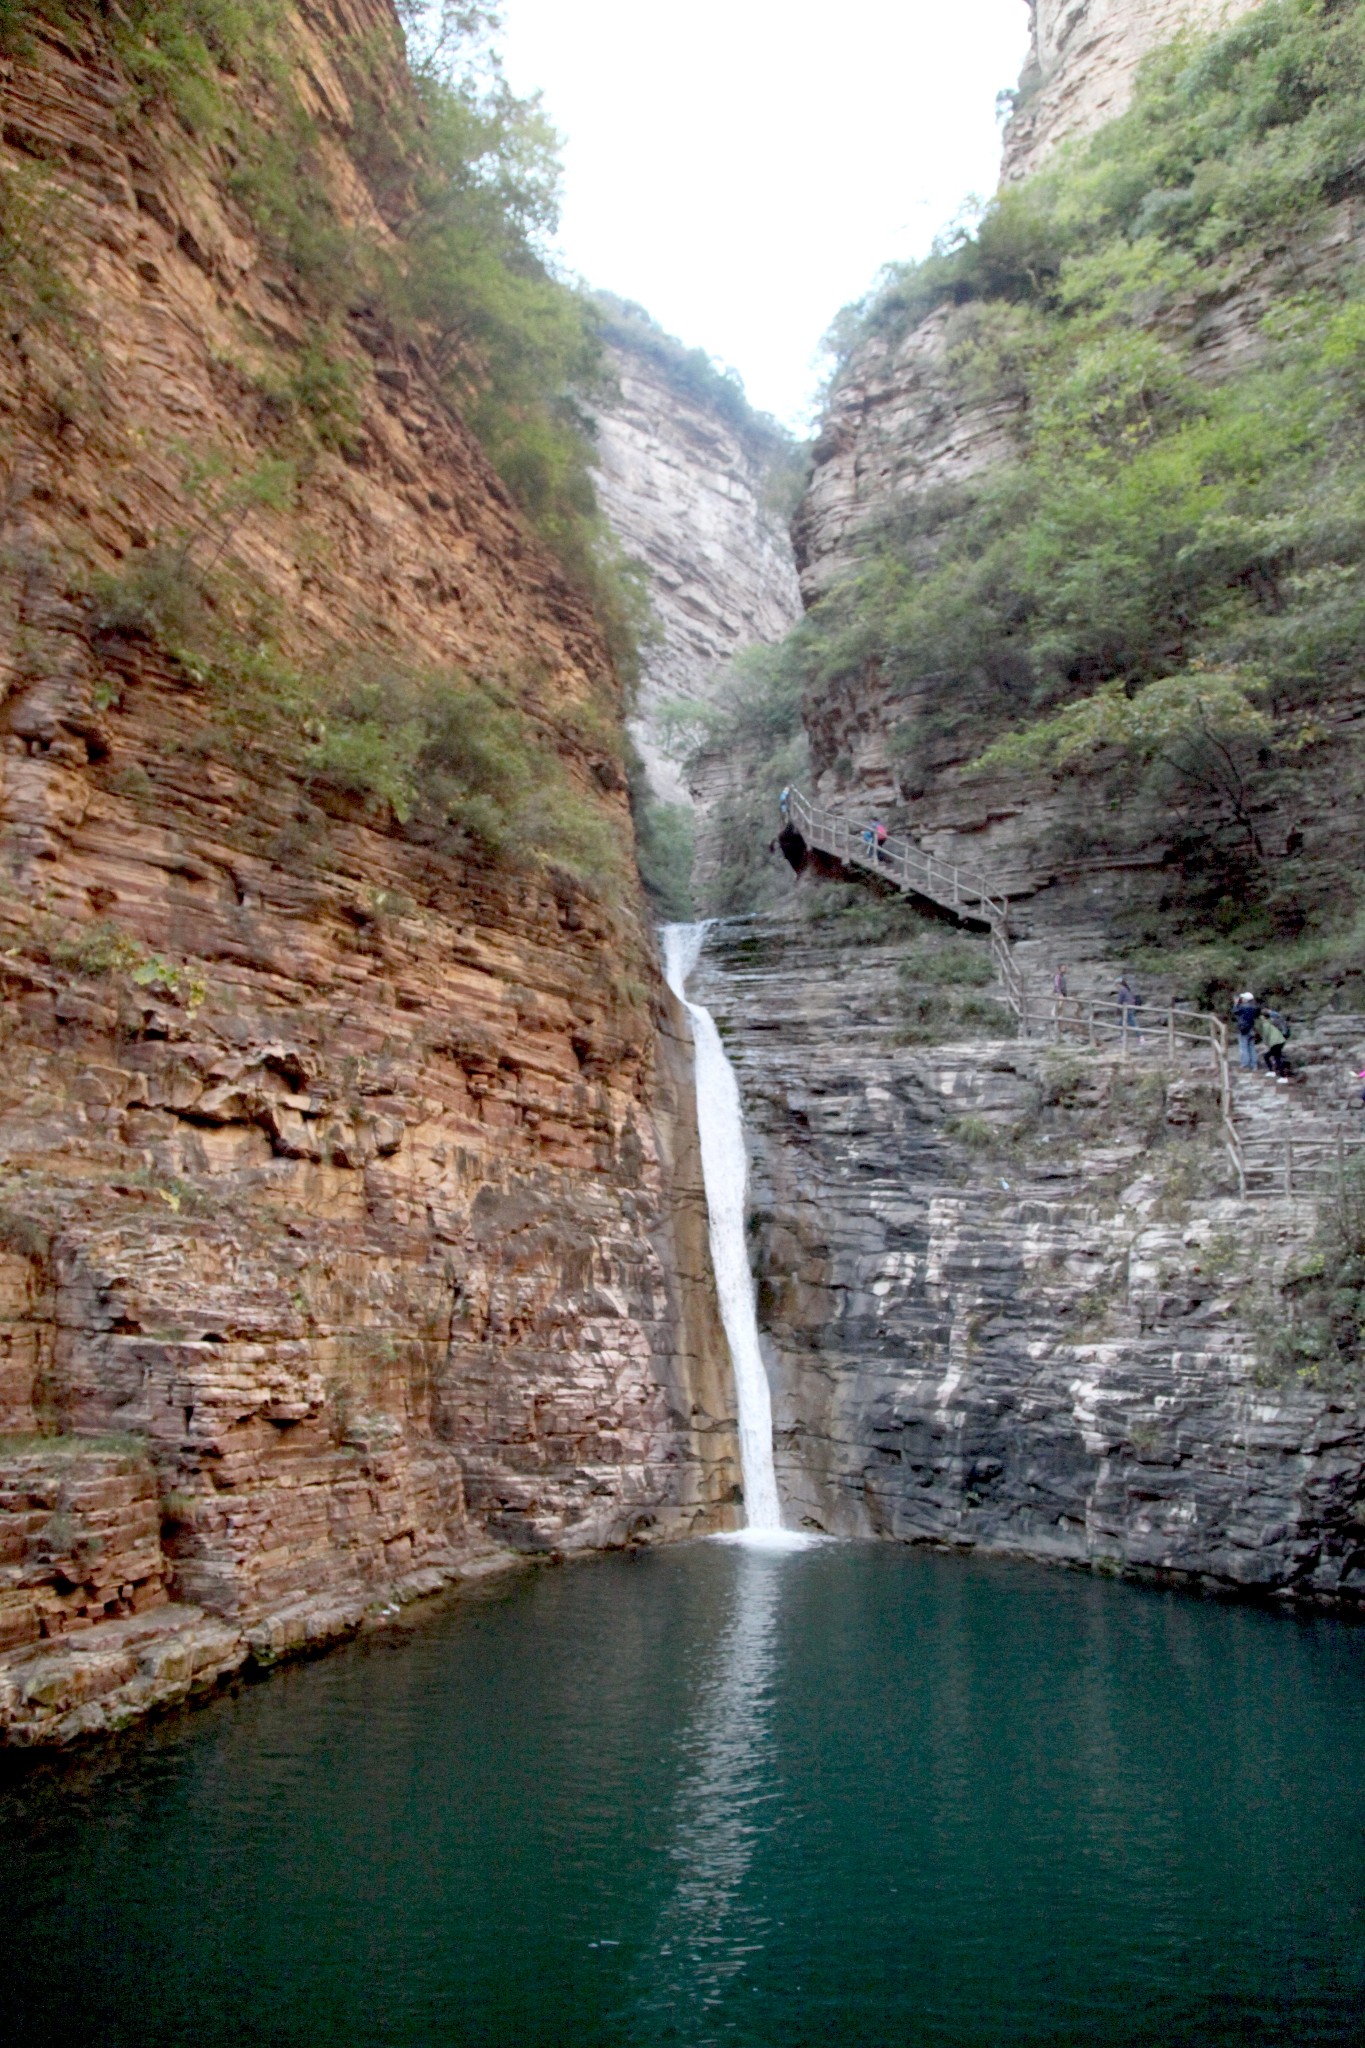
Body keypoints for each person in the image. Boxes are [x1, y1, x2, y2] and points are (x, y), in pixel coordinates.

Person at [1257, 1009, 1290, 1082]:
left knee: (1277, 1059)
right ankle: (1272, 1071)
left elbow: (1266, 1035)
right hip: (1280, 1041)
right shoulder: (1271, 1022)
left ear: (1263, 1017)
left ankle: (1283, 1077)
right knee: (1267, 1056)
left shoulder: (1266, 1024)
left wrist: (1265, 1042)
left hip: (1276, 1042)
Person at [1232, 991, 1260, 1071]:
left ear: (1246, 999)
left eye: (1243, 998)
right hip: (1252, 1029)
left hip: (1243, 1029)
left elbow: (1234, 1011)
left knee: (1243, 1047)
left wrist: (1236, 1003)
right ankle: (1254, 1064)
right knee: (1251, 1047)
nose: (1242, 999)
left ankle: (1245, 1064)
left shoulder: (1242, 1007)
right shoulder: (1254, 1007)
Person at [1115, 975, 1142, 1040]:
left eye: (1116, 984)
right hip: (1130, 1007)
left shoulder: (1122, 990)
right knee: (1122, 1023)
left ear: (1119, 984)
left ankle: (1140, 1037)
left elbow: (1120, 1000)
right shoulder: (1126, 989)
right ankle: (1123, 1037)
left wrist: (1117, 1008)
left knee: (1132, 1023)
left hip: (1128, 1008)